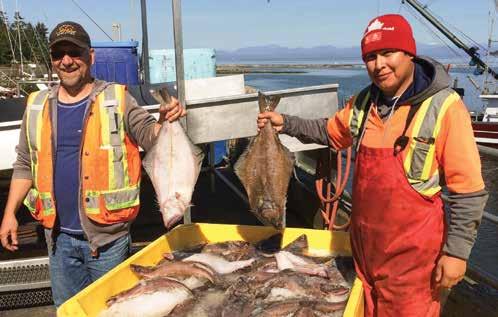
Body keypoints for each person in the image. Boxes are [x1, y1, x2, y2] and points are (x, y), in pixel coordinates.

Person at [258, 14, 488, 316]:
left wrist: (456, 254)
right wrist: (284, 122)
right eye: (370, 56)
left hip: (413, 263)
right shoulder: (363, 102)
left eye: (387, 53)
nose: (378, 65)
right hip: (364, 252)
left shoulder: (444, 107)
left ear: (409, 53)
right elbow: (330, 132)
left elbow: (467, 191)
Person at [0, 21, 186, 307]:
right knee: (70, 311)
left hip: (108, 243)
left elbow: (151, 137)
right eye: (58, 53)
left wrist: (166, 119)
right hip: (59, 242)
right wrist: (10, 213)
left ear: (90, 56)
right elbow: (25, 163)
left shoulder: (117, 98)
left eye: (74, 52)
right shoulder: (36, 105)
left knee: (113, 311)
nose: (66, 60)